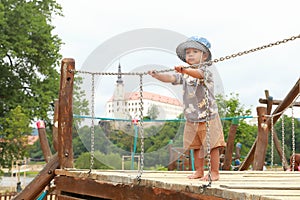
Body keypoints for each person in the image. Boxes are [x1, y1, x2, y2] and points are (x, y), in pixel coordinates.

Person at [148, 36, 226, 181]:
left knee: (213, 145)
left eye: (195, 51)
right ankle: (198, 170)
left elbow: (198, 74)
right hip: (192, 117)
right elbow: (171, 78)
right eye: (188, 52)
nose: (190, 54)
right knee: (195, 146)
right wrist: (157, 75)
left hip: (209, 116)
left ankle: (214, 172)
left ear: (204, 55)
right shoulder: (184, 75)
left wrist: (185, 70)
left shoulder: (206, 71)